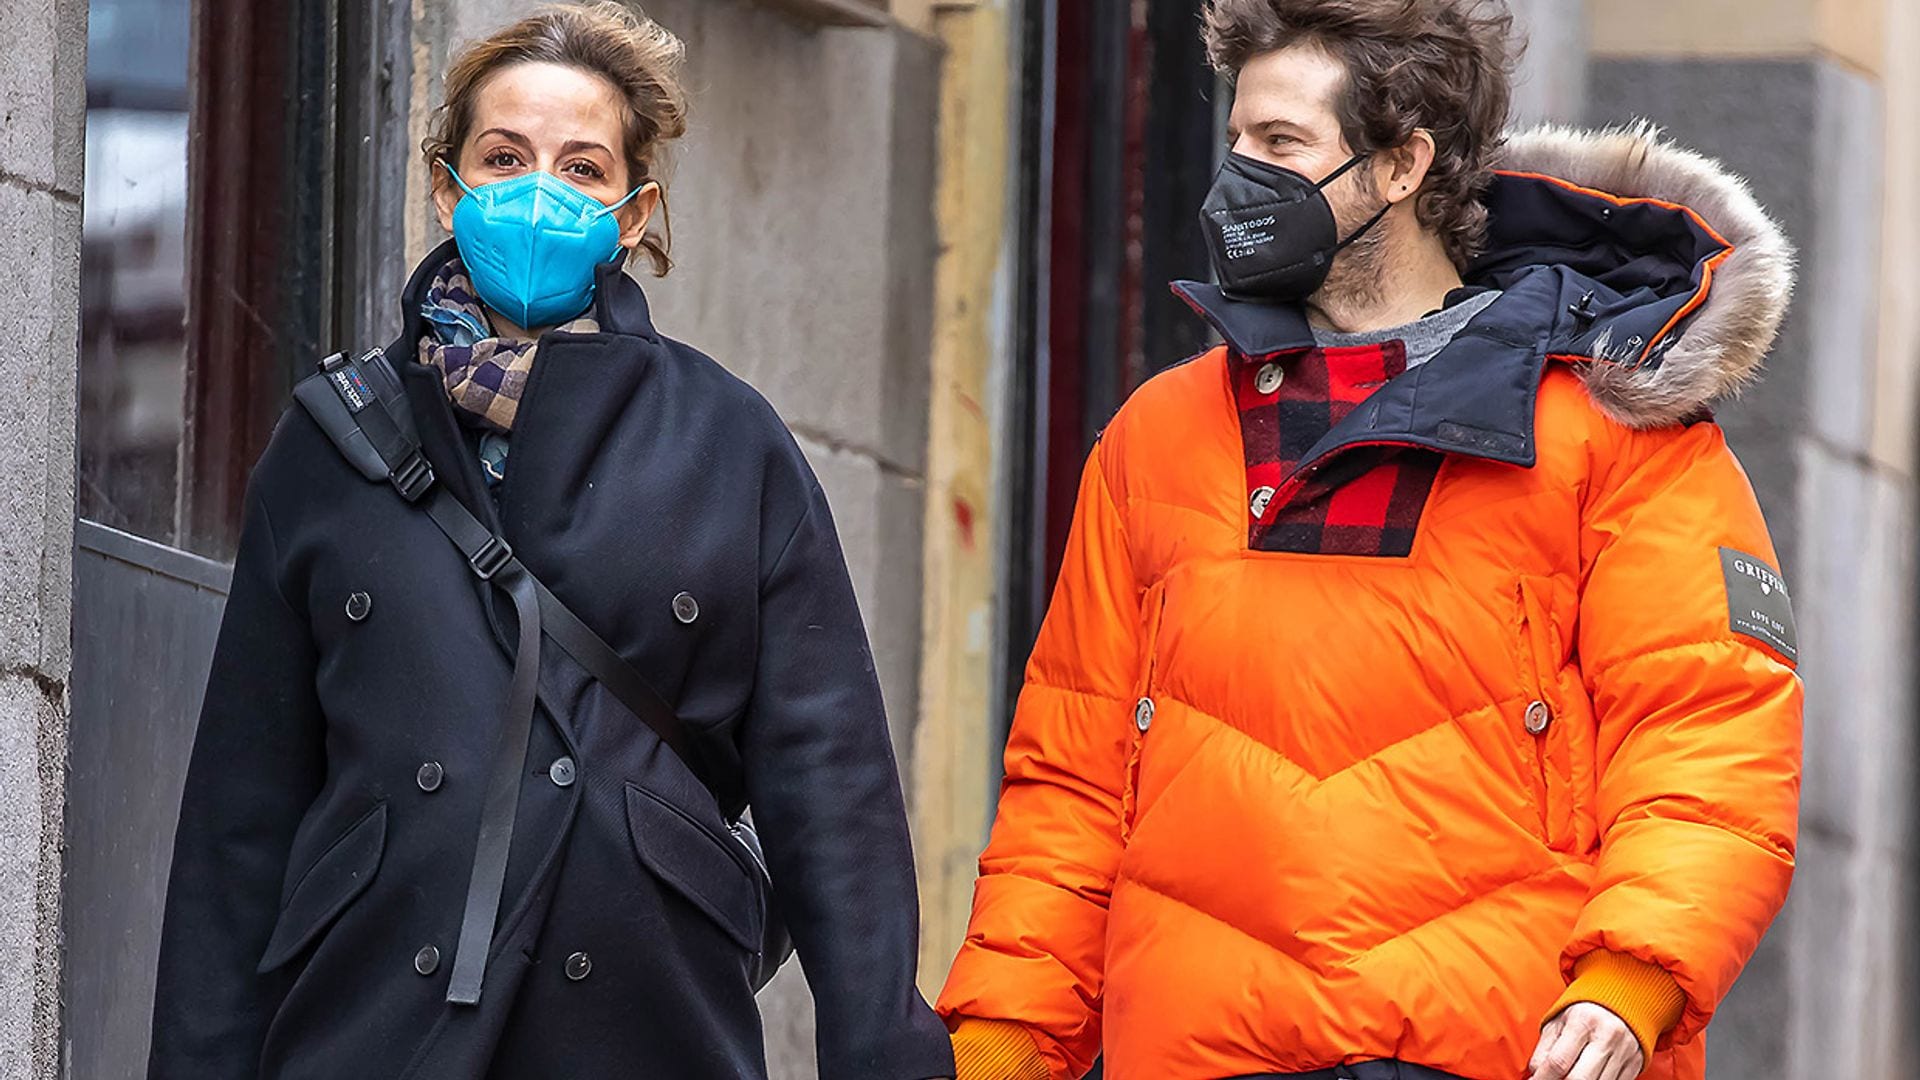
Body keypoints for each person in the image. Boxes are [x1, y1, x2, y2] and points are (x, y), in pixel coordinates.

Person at [937, 2, 1801, 1079]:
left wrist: (1634, 980)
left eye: (1281, 144)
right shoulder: (1156, 438)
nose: (1237, 176)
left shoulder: (1613, 437)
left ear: (1401, 166)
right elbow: (1069, 787)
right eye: (1238, 138)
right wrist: (998, 1043)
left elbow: (1707, 736)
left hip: (1501, 1051)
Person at [146, 5, 954, 1078]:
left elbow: (830, 786)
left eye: (581, 168)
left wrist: (884, 1055)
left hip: (645, 1021)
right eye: (504, 156)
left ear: (633, 212)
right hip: (376, 1022)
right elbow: (239, 821)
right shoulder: (330, 444)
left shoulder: (728, 443)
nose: (539, 192)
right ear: (449, 188)